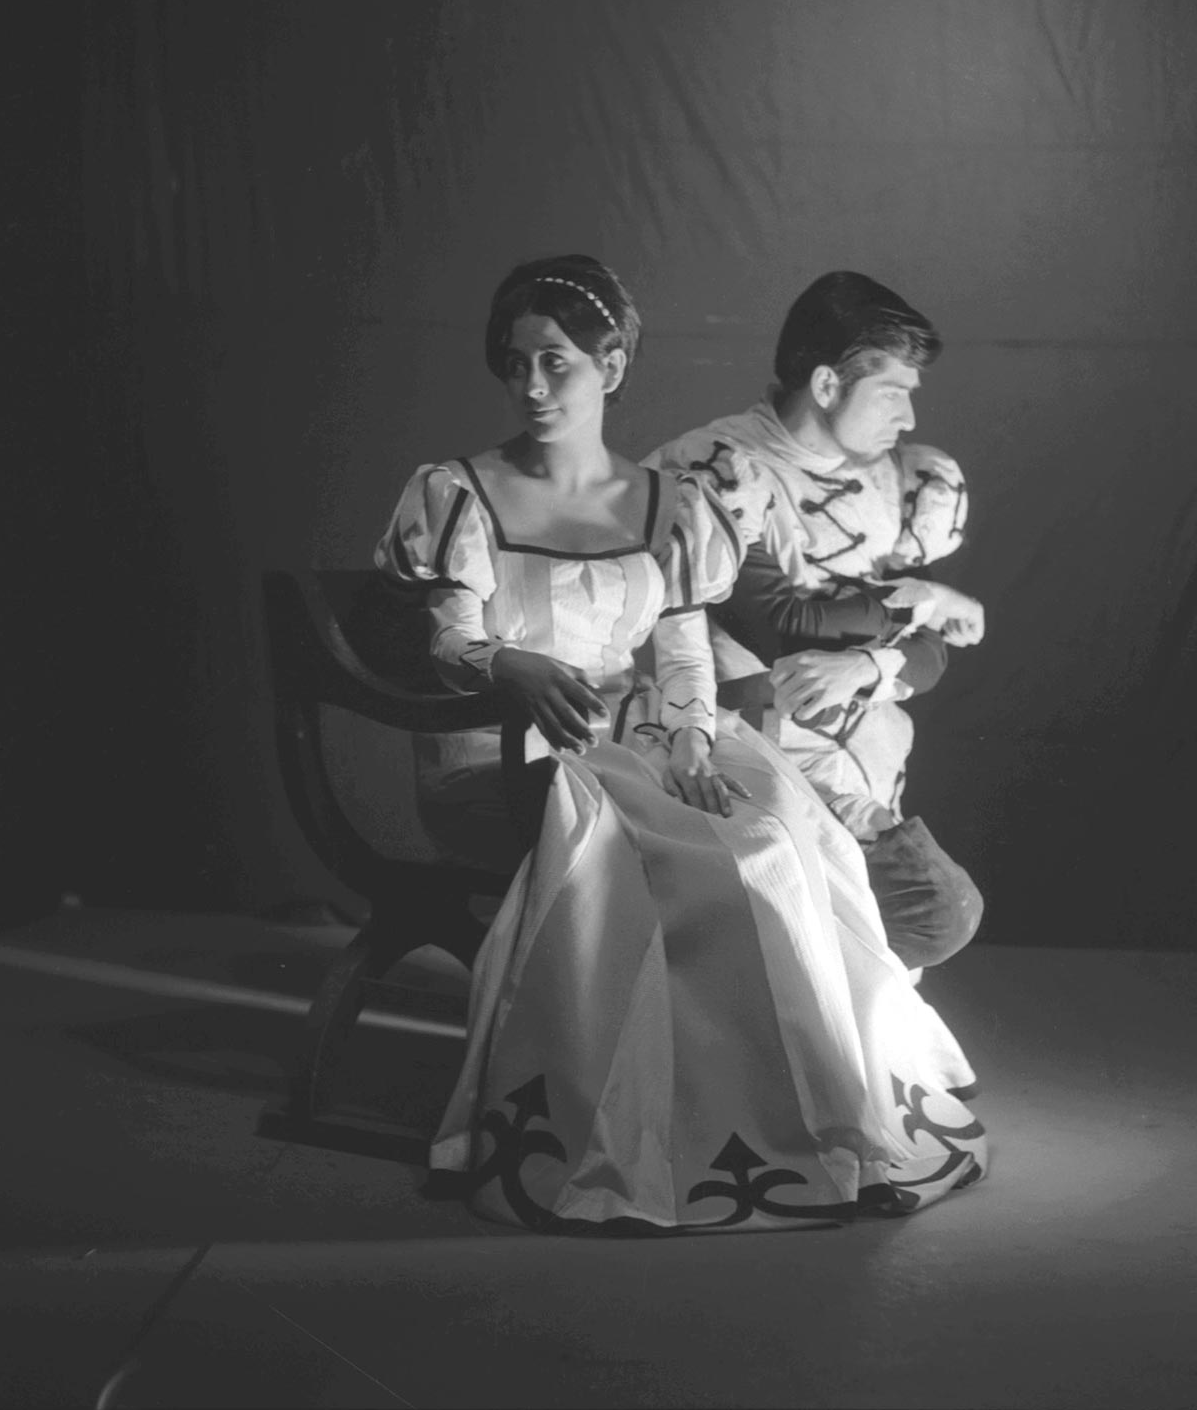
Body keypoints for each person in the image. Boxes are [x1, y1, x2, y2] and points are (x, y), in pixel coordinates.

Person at [374, 254, 985, 1234]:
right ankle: (629, 1127)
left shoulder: (665, 503)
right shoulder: (459, 492)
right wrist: (505, 665)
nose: (534, 387)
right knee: (672, 851)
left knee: (774, 835)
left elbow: (683, 651)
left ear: (611, 367)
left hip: (644, 736)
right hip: (507, 749)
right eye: (517, 363)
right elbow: (445, 637)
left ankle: (786, 1119)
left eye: (557, 363)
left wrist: (695, 742)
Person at [649, 271, 985, 973]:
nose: (907, 419)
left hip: (868, 751)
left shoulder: (900, 481)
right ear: (828, 385)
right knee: (908, 914)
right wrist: (923, 600)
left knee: (899, 945)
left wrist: (870, 664)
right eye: (890, 392)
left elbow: (929, 652)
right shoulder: (720, 470)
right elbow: (779, 627)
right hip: (743, 754)